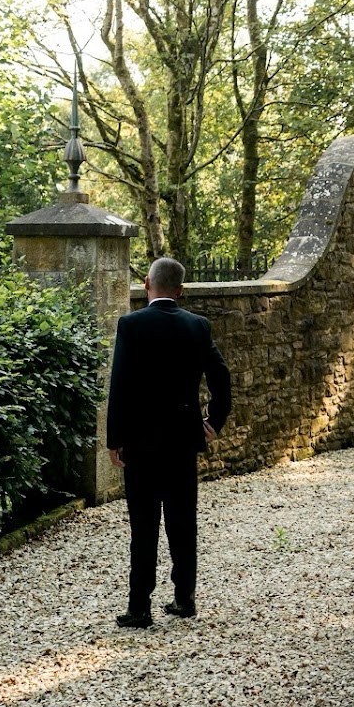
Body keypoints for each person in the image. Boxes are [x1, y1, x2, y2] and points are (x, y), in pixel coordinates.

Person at [106, 257, 232, 629]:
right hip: (182, 440)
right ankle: (185, 598)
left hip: (140, 441)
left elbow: (120, 386)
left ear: (147, 284)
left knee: (143, 526)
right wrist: (213, 421)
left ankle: (139, 606)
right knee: (182, 522)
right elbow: (221, 377)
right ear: (180, 290)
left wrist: (115, 439)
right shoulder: (198, 326)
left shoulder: (131, 325)